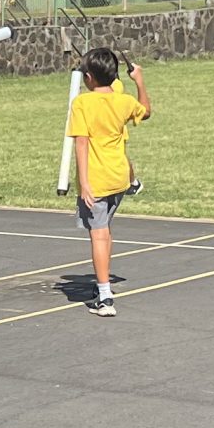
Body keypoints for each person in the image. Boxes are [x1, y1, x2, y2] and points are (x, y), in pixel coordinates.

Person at [66, 47, 152, 317]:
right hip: (118, 178)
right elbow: (146, 111)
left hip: (98, 180)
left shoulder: (82, 103)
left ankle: (104, 297)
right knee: (105, 230)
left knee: (99, 234)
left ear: (89, 77)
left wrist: (85, 184)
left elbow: (81, 143)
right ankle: (103, 284)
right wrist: (139, 80)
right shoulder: (122, 100)